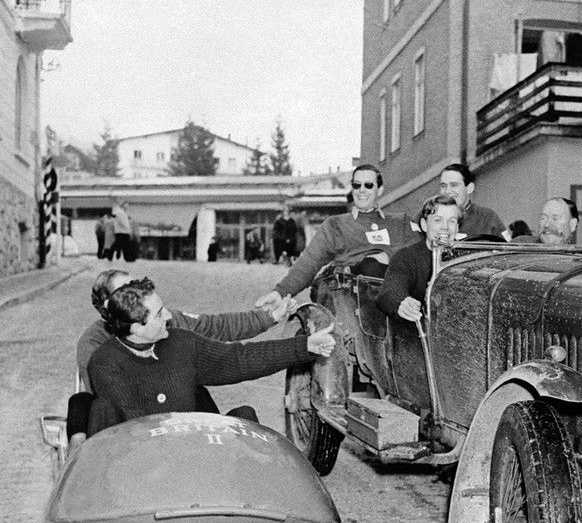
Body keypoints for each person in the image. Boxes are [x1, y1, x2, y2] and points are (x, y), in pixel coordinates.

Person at [86, 278, 336, 434]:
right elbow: (136, 423)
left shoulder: (180, 342)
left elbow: (241, 359)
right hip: (142, 466)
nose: (169, 317)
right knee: (101, 409)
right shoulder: (105, 363)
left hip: (196, 454)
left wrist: (305, 346)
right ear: (135, 328)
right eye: (159, 314)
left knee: (244, 416)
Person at [77, 269, 293, 392]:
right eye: (127, 293)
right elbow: (103, 398)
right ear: (108, 307)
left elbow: (218, 327)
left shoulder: (166, 320)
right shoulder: (94, 345)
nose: (138, 294)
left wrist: (269, 317)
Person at [254, 164, 419, 312]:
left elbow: (423, 249)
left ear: (380, 190)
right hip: (352, 301)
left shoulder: (401, 222)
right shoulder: (335, 225)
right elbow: (309, 262)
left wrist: (387, 255)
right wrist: (281, 292)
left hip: (398, 297)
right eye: (357, 185)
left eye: (368, 185)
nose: (362, 190)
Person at [377, 195, 461, 322]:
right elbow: (390, 289)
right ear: (424, 225)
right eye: (437, 220)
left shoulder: (467, 258)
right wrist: (401, 302)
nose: (445, 227)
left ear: (457, 228)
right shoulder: (406, 257)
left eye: (451, 221)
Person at [438, 163, 504, 238]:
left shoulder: (487, 218)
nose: (447, 191)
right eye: (443, 186)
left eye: (454, 185)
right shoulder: (431, 217)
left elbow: (508, 248)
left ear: (469, 188)